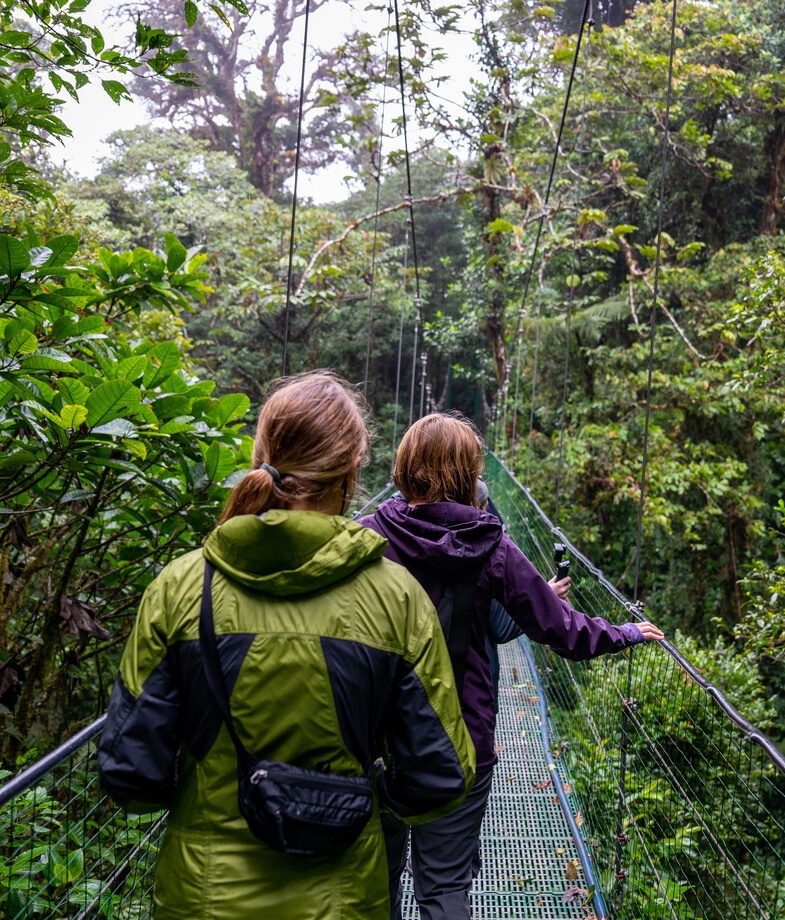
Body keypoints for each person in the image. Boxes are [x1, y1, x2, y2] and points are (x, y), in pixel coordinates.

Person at [97, 371, 475, 920]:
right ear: (352, 469)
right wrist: (365, 794)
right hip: (345, 899)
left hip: (202, 897)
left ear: (261, 454)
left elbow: (132, 779)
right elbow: (439, 781)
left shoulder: (179, 587)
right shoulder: (399, 600)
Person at [359, 412, 664, 920]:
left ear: (404, 467)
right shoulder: (492, 546)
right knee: (443, 889)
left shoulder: (366, 537)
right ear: (472, 476)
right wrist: (625, 632)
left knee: (375, 884)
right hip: (459, 745)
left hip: (374, 740)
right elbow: (561, 629)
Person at [475, 478, 570, 712]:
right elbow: (500, 627)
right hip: (477, 687)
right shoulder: (483, 551)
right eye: (486, 508)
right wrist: (546, 596)